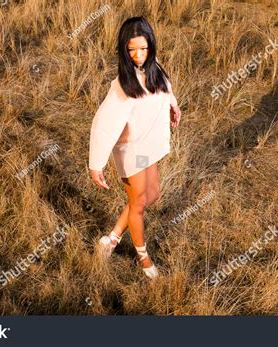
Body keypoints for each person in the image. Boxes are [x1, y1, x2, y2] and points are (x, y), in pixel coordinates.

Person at [88, 16, 181, 279]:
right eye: (132, 50)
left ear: (151, 46)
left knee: (151, 196)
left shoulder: (156, 70)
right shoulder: (121, 88)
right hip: (131, 150)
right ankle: (144, 259)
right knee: (138, 203)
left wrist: (173, 105)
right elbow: (102, 125)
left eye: (143, 48)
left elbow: (166, 89)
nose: (138, 55)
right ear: (124, 50)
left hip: (149, 145)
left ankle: (112, 239)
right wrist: (97, 164)